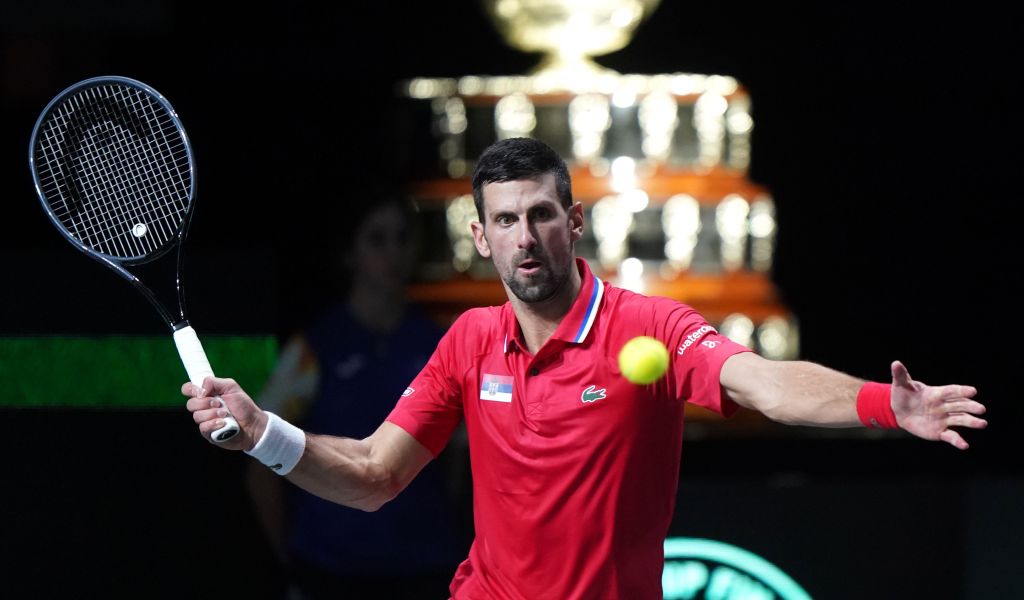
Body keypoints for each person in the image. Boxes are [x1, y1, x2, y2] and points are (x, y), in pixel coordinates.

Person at [186, 138, 987, 600]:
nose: (526, 237)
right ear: (481, 236)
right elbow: (371, 473)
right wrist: (261, 433)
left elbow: (765, 384)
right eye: (506, 220)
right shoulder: (468, 340)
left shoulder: (650, 328)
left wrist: (886, 404)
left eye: (541, 214)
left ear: (572, 220)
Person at [247, 197, 465, 598]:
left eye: (403, 238)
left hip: (424, 568)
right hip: (331, 569)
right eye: (377, 240)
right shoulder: (314, 348)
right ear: (350, 253)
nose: (394, 252)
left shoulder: (441, 344)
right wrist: (288, 566)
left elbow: (457, 461)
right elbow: (261, 463)